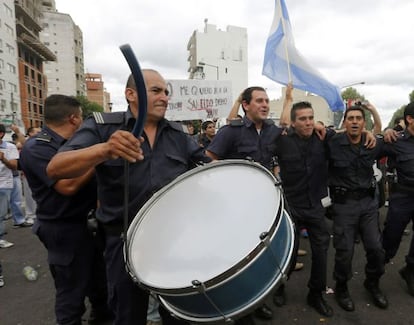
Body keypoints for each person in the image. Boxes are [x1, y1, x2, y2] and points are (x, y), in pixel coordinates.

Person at [47, 70, 211, 325]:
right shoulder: (103, 126)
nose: (165, 98)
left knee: (180, 312)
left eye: (166, 92)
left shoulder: (179, 134)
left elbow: (209, 171)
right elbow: (56, 167)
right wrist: (105, 149)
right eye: (156, 91)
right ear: (131, 94)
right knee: (127, 315)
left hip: (174, 242)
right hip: (122, 243)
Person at [19, 95, 111, 325]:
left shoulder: (76, 147)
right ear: (74, 118)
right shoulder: (37, 148)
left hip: (89, 226)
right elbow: (67, 186)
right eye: (80, 118)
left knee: (101, 290)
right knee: (71, 297)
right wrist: (100, 155)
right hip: (63, 229)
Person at [206, 86, 282, 321]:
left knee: (261, 257)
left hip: (264, 205)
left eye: (267, 101)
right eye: (259, 100)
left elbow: (278, 156)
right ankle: (237, 306)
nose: (265, 105)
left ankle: (258, 302)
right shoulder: (231, 131)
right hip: (234, 209)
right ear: (246, 105)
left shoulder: (273, 131)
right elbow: (209, 160)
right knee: (238, 259)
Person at [273, 95, 335, 317]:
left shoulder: (323, 138)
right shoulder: (282, 140)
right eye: (303, 119)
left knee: (321, 250)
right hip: (291, 206)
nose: (308, 122)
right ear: (293, 122)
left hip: (316, 206)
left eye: (311, 118)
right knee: (286, 253)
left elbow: (349, 139)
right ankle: (279, 286)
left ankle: (316, 293)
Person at [327, 106, 387, 311]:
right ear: (344, 123)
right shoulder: (332, 142)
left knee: (376, 249)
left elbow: (384, 134)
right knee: (344, 251)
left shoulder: (372, 143)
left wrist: (384, 131)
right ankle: (341, 287)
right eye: (350, 118)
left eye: (358, 119)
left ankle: (372, 282)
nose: (354, 122)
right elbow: (316, 131)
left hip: (368, 204)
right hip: (344, 205)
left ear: (364, 123)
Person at [382, 102, 414, 296]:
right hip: (403, 196)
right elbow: (369, 146)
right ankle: (375, 272)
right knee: (391, 238)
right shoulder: (396, 140)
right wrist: (385, 130)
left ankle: (410, 270)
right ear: (410, 119)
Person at [11, 125, 40, 224]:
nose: (39, 133)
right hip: (28, 173)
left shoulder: (41, 141)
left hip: (40, 173)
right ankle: (30, 215)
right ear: (30, 133)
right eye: (36, 131)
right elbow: (24, 143)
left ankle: (38, 214)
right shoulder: (26, 142)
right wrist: (18, 131)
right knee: (29, 196)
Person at [0, 124, 19, 248]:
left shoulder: (10, 147)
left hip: (3, 184)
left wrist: (3, 159)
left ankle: (0, 238)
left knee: (0, 214)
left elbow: (14, 166)